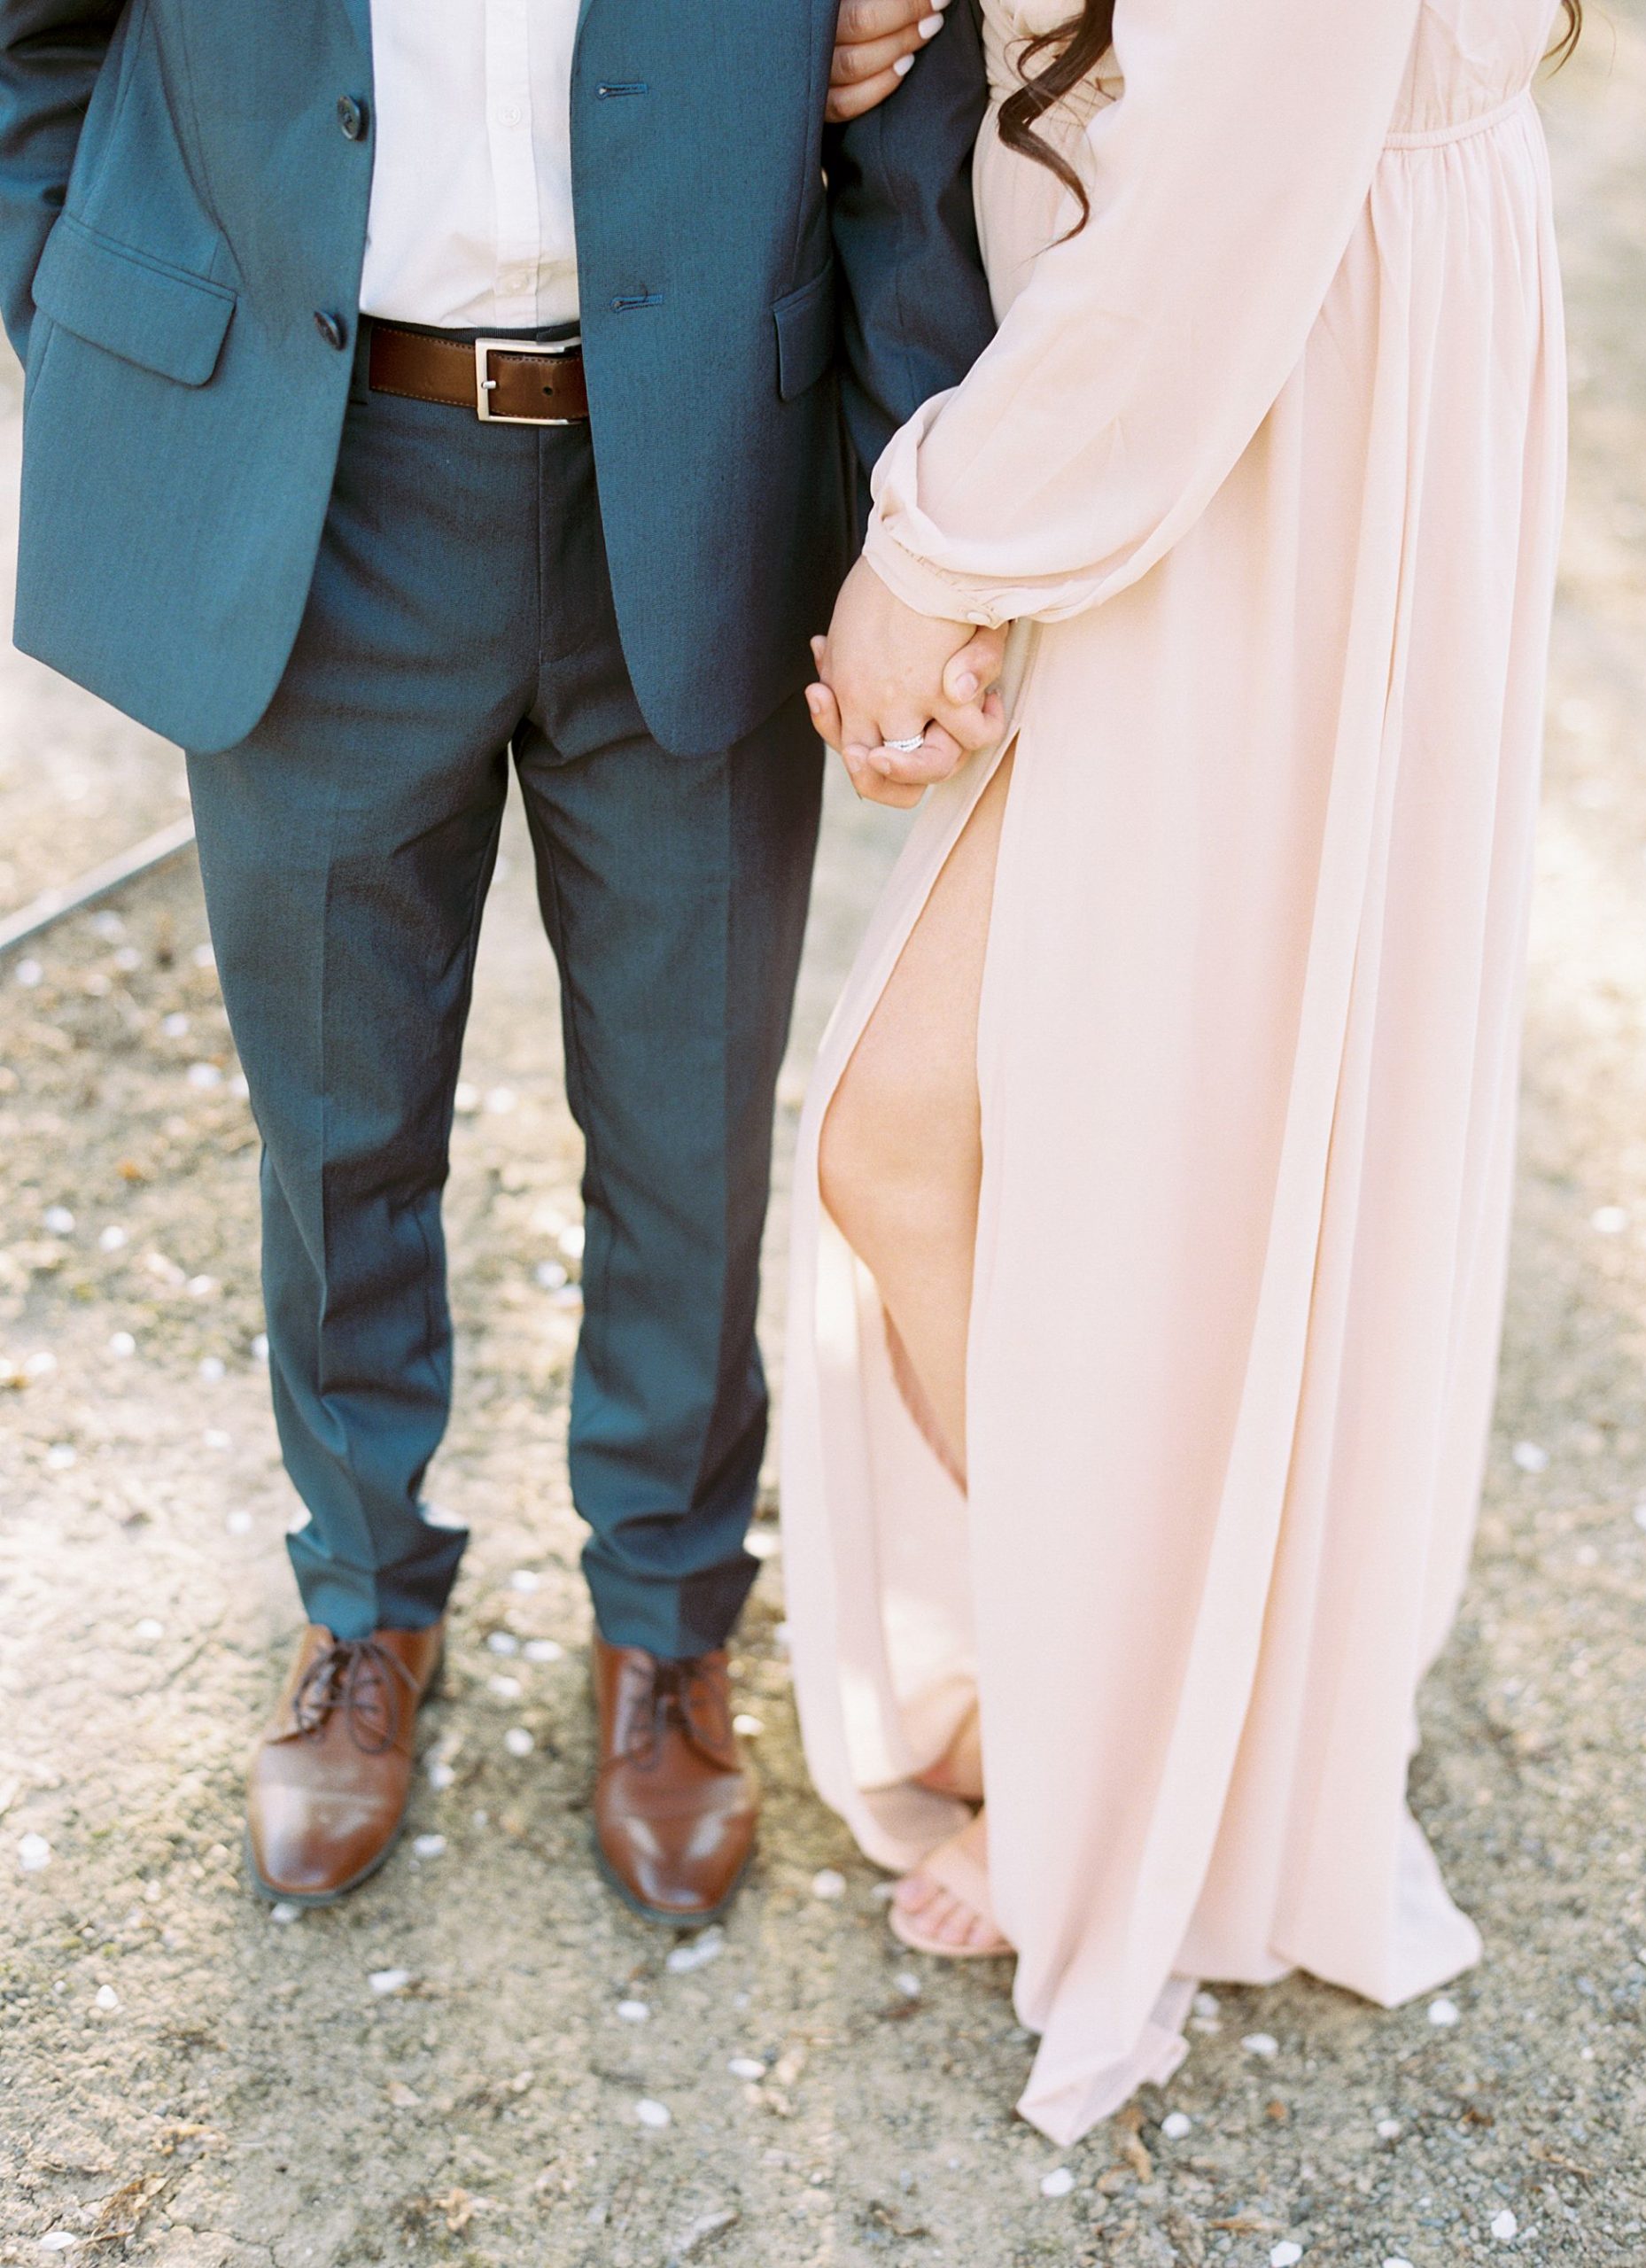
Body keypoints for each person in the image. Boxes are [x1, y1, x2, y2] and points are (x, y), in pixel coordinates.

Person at [0, 0, 997, 1923]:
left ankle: (666, 1623)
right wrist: (102, 343)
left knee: (688, 1115)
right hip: (313, 476)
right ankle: (363, 1602)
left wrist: (911, 514)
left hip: (704, 471)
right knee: (335, 1117)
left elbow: (905, 115)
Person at [788, 0, 1573, 2143]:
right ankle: (1114, 1695)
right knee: (1073, 1136)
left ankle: (1127, 1746)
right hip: (1215, 391)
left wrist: (927, 553)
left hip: (1280, 419)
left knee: (951, 1138)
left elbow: (1218, 204)